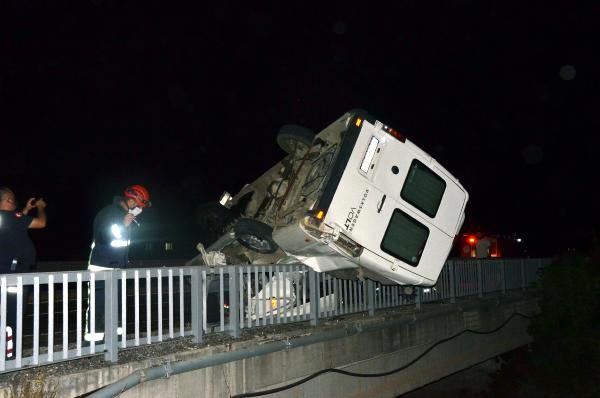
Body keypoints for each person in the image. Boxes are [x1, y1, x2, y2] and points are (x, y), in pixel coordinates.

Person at [85, 184, 151, 342]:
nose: (137, 208)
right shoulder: (109, 213)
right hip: (101, 266)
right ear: (132, 200)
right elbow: (104, 237)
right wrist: (123, 225)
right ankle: (93, 343)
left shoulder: (123, 214)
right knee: (98, 306)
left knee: (117, 305)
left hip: (118, 268)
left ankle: (115, 341)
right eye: (138, 205)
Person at [0, 187, 47, 358]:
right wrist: (40, 207)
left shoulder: (7, 220)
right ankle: (9, 358)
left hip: (4, 274)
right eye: (12, 200)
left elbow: (15, 224)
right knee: (13, 318)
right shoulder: (11, 218)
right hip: (13, 279)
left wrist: (26, 209)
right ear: (7, 201)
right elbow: (41, 223)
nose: (14, 204)